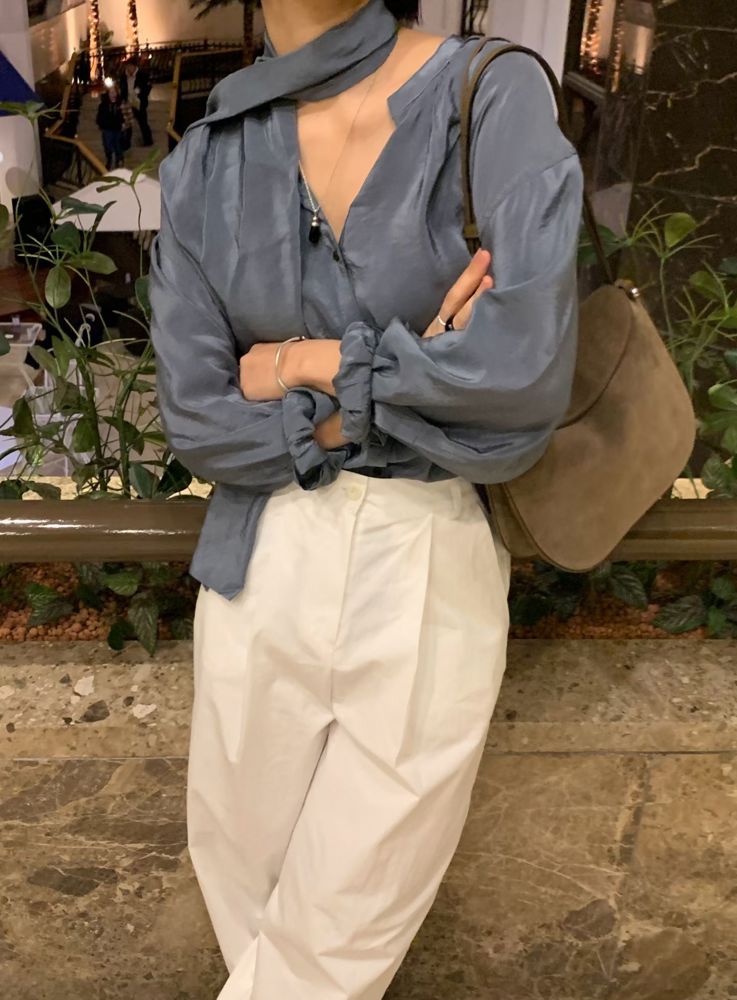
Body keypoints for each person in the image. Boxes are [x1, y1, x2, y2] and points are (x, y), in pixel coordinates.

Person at [148, 1, 583, 997]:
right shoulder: (209, 157)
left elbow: (518, 386)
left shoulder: (488, 97)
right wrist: (411, 377)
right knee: (249, 895)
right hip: (258, 561)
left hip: (425, 559)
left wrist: (299, 366)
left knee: (338, 936)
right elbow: (200, 420)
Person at [119, 54, 153, 146]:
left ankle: (148, 140)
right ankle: (126, 142)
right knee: (127, 123)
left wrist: (140, 92)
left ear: (134, 66)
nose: (129, 68)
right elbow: (122, 89)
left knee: (142, 122)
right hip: (128, 102)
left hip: (138, 102)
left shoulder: (142, 75)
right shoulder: (123, 76)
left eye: (131, 66)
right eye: (128, 66)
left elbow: (147, 87)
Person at [95, 82, 125, 170]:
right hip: (107, 129)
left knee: (118, 146)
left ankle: (118, 161)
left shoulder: (120, 104)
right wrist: (102, 125)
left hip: (118, 128)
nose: (113, 95)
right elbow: (99, 118)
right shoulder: (103, 105)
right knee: (108, 146)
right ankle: (109, 160)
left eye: (114, 92)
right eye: (111, 93)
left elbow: (125, 116)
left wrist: (123, 124)